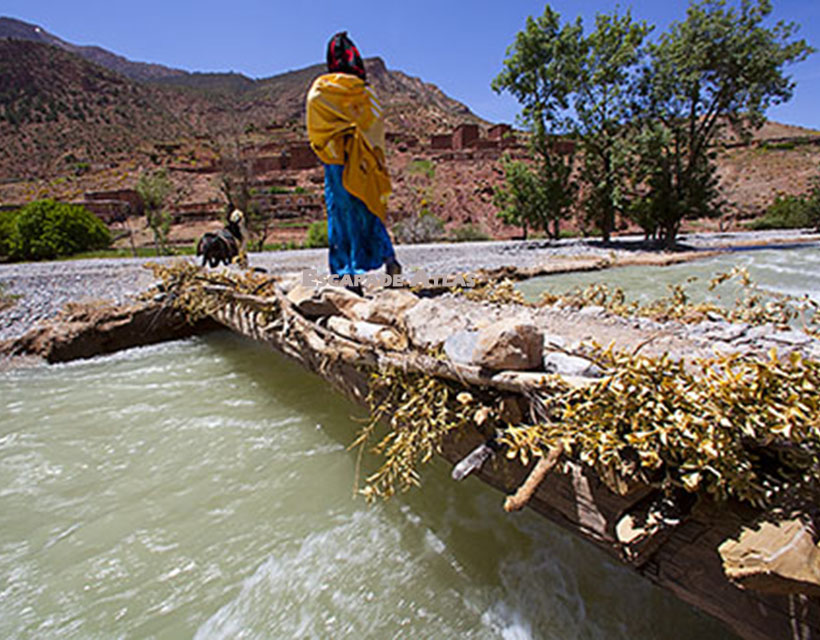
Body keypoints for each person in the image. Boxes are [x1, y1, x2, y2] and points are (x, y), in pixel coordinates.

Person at [306, 31, 401, 295]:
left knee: (341, 217)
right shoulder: (364, 92)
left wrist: (339, 138)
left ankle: (348, 277)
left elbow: (316, 125)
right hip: (364, 163)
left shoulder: (321, 89)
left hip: (337, 163)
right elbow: (375, 124)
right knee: (367, 210)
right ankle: (389, 260)